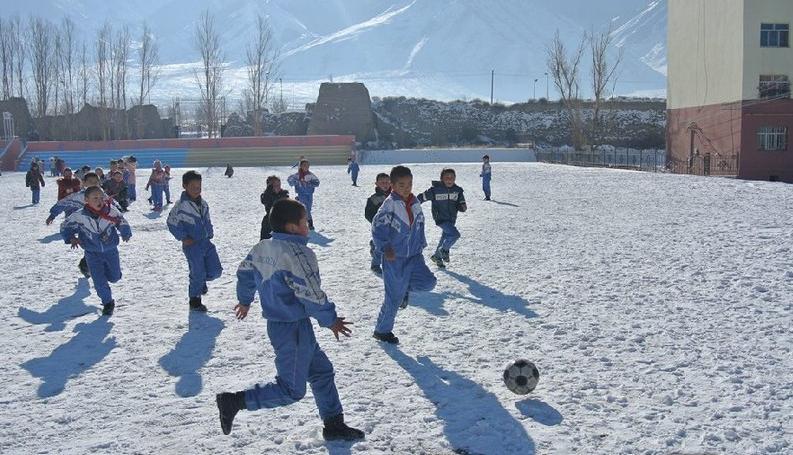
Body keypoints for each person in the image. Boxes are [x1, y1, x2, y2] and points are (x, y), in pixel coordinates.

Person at [215, 199, 364, 441]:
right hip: (292, 328)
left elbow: (244, 274)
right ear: (293, 227)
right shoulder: (298, 254)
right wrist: (331, 320)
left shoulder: (263, 247)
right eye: (305, 221)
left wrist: (244, 300)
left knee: (322, 373)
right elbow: (311, 295)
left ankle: (334, 424)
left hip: (284, 326)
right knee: (291, 390)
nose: (308, 224)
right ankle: (235, 401)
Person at [371, 166, 437, 344]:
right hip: (395, 258)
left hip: (414, 256)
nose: (406, 188)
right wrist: (385, 247)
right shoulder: (389, 205)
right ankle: (382, 331)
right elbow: (377, 227)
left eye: (409, 184)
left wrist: (421, 243)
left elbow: (420, 225)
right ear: (392, 185)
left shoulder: (414, 202)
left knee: (429, 283)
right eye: (401, 185)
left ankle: (404, 290)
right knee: (393, 298)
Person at [60, 186, 131, 316]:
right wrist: (71, 238)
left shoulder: (111, 211)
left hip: (111, 251)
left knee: (115, 277)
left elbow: (121, 221)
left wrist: (125, 232)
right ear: (86, 200)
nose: (99, 201)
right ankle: (107, 302)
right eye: (95, 198)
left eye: (101, 198)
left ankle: (104, 275)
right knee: (99, 280)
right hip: (92, 253)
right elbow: (65, 226)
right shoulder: (79, 216)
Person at [166, 170, 223, 312]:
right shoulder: (181, 206)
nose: (197, 190)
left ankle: (201, 281)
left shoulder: (203, 204)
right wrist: (183, 237)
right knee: (197, 272)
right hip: (192, 246)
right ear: (185, 186)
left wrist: (210, 232)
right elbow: (171, 222)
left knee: (216, 271)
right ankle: (195, 300)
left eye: (199, 187)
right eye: (193, 187)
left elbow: (207, 220)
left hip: (206, 242)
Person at [47, 172, 104, 279]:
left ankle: (89, 264)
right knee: (90, 247)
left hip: (100, 227)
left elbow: (114, 207)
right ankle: (85, 266)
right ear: (84, 183)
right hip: (84, 227)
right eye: (90, 182)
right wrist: (52, 214)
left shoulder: (102, 195)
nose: (93, 184)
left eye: (96, 182)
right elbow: (63, 203)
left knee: (100, 247)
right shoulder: (78, 196)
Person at [417, 168, 467, 268]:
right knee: (454, 235)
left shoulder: (457, 191)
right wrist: (413, 205)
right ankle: (443, 250)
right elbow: (421, 197)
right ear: (441, 179)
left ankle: (437, 257)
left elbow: (461, 202)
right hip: (440, 218)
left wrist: (462, 206)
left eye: (452, 177)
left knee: (445, 238)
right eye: (447, 177)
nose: (449, 180)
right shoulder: (435, 190)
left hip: (452, 219)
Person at [364, 173, 391, 275]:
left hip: (393, 226)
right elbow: (368, 214)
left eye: (387, 182)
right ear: (377, 184)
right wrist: (376, 222)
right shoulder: (374, 198)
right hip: (379, 227)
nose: (385, 184)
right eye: (382, 182)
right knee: (381, 246)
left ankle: (373, 243)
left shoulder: (395, 196)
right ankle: (375, 264)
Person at [287, 159, 320, 230]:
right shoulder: (297, 175)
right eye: (304, 165)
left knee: (308, 208)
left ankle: (304, 220)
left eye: (308, 165)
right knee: (306, 209)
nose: (306, 167)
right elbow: (290, 181)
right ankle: (310, 223)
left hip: (309, 194)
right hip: (301, 194)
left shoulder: (310, 175)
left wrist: (310, 183)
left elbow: (317, 182)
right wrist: (296, 182)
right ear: (301, 166)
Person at [259, 175, 289, 240]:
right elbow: (265, 201)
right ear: (270, 187)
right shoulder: (266, 196)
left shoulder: (283, 195)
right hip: (269, 222)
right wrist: (268, 191)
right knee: (265, 241)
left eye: (279, 185)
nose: (278, 187)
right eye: (275, 186)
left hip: (281, 222)